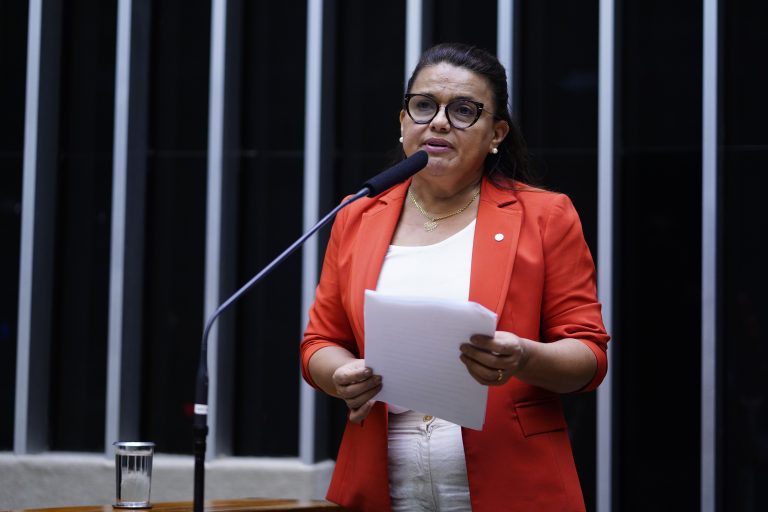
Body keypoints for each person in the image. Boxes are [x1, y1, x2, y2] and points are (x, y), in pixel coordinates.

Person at [300, 42, 609, 512]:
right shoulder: (357, 214)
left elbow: (588, 355)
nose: (439, 122)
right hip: (383, 482)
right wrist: (340, 374)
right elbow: (319, 341)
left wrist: (523, 356)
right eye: (423, 106)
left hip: (512, 480)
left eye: (464, 110)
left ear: (496, 134)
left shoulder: (546, 215)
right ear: (403, 121)